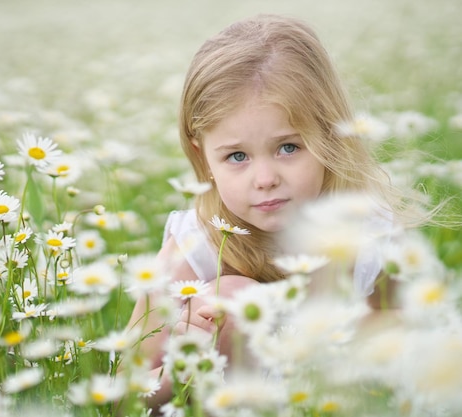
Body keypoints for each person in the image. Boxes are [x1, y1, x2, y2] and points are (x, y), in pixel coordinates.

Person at [122, 13, 430, 410]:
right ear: (204, 159)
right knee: (230, 299)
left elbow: (405, 334)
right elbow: (121, 396)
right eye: (237, 156)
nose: (265, 178)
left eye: (288, 147)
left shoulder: (369, 235)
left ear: (330, 135)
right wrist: (182, 365)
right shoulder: (193, 251)